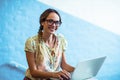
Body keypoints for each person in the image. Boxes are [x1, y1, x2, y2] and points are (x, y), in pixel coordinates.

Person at [24, 8, 75, 80]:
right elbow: (33, 72)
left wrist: (79, 71)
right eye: (50, 21)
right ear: (42, 22)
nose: (54, 25)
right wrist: (54, 74)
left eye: (57, 22)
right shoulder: (32, 42)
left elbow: (64, 65)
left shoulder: (61, 40)